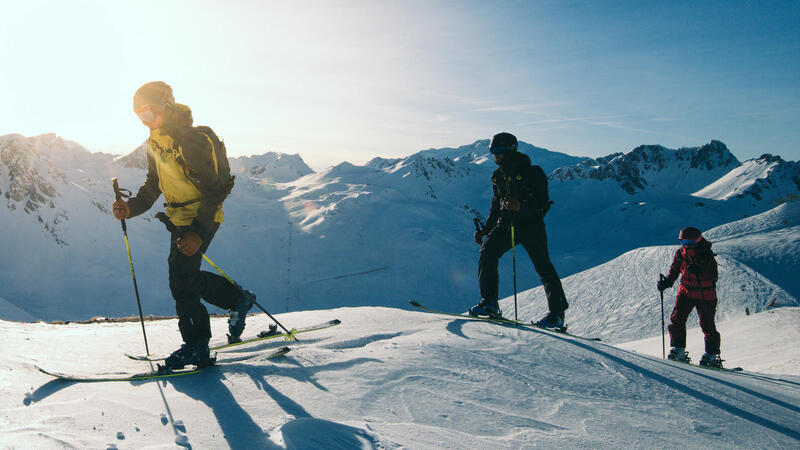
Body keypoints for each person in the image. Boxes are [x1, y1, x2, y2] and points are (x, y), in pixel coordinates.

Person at [112, 81, 255, 369]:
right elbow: (154, 185)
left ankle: (197, 346)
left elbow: (214, 192)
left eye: (148, 114)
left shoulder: (191, 141)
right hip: (179, 218)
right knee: (183, 276)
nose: (145, 121)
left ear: (165, 106)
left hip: (202, 215)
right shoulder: (156, 141)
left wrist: (198, 234)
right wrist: (131, 208)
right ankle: (237, 300)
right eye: (139, 116)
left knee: (181, 280)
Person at [471, 132, 569, 328]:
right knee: (487, 252)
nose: (495, 155)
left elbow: (542, 204)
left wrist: (521, 207)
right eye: (492, 150)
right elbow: (496, 206)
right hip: (506, 225)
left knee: (543, 267)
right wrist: (485, 230)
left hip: (532, 226)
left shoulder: (533, 173)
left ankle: (557, 314)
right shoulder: (498, 176)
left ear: (511, 149)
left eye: (499, 150)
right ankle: (490, 303)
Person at [657, 227, 723, 368]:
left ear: (698, 240)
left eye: (690, 241)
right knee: (677, 318)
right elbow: (675, 269)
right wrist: (667, 282)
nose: (687, 244)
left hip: (705, 293)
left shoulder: (706, 254)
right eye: (684, 241)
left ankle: (711, 355)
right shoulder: (680, 253)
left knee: (707, 324)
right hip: (686, 291)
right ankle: (678, 349)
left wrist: (700, 271)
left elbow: (713, 275)